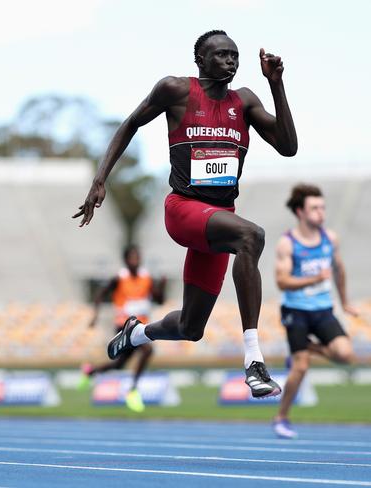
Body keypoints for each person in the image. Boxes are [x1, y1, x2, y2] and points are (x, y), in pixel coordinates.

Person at [73, 30, 297, 397]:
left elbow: (288, 147)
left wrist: (276, 85)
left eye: (235, 56)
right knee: (251, 236)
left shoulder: (245, 101)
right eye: (222, 55)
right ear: (200, 60)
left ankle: (137, 332)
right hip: (184, 210)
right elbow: (130, 123)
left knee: (192, 327)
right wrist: (100, 180)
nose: (230, 61)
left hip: (219, 217)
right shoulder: (175, 90)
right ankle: (254, 361)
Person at [272, 184, 357, 438]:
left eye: (323, 207)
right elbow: (282, 281)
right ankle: (281, 418)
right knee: (300, 368)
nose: (321, 213)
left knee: (345, 354)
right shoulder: (287, 243)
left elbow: (339, 270)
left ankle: (307, 346)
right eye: (315, 208)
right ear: (300, 212)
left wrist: (345, 303)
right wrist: (314, 278)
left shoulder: (330, 238)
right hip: (295, 311)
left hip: (322, 309)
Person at [79, 244, 166, 412]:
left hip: (141, 327)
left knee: (119, 365)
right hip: (123, 326)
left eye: (137, 257)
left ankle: (90, 372)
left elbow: (160, 300)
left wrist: (161, 286)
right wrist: (95, 314)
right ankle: (132, 390)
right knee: (147, 351)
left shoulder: (146, 278)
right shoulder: (119, 278)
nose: (136, 260)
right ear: (126, 260)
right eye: (132, 257)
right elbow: (100, 295)